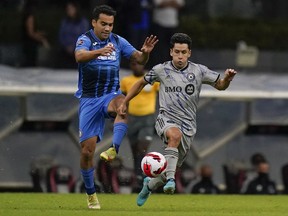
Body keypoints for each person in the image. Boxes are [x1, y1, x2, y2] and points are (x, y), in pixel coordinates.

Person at [117, 32, 237, 206]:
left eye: (184, 52)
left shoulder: (199, 70)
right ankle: (172, 181)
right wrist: (124, 101)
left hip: (188, 125)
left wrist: (227, 79)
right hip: (165, 119)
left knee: (166, 171)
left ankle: (149, 185)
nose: (180, 56)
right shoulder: (161, 69)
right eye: (177, 52)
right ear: (171, 52)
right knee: (174, 136)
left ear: (189, 53)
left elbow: (220, 86)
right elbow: (141, 83)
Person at [74, 4, 158, 209]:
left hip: (110, 94)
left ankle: (114, 149)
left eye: (110, 24)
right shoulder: (85, 40)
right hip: (89, 99)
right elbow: (79, 56)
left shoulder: (118, 41)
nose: (107, 28)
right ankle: (91, 194)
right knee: (87, 152)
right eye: (103, 23)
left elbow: (138, 57)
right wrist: (100, 51)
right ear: (94, 22)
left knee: (122, 104)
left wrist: (145, 53)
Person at [120, 60, 159, 192]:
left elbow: (164, 93)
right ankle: (138, 178)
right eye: (135, 64)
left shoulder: (152, 79)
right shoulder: (126, 81)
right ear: (131, 66)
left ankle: (142, 177)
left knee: (142, 148)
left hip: (147, 118)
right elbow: (122, 98)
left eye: (140, 63)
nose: (138, 66)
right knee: (135, 151)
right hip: (132, 119)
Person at [149, 0, 185, 67]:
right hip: (159, 23)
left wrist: (167, 3)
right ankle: (159, 66)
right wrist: (172, 3)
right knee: (159, 47)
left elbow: (180, 5)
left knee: (173, 47)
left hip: (173, 24)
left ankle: (172, 66)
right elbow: (159, 5)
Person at [57, 1, 89, 68]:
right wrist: (67, 46)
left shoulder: (83, 22)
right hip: (66, 50)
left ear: (76, 9)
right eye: (68, 9)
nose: (69, 11)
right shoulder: (65, 22)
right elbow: (61, 36)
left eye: (71, 9)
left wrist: (74, 46)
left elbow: (83, 36)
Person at [21, 0, 50, 67]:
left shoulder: (26, 16)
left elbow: (31, 30)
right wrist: (42, 39)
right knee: (30, 63)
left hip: (27, 43)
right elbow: (31, 33)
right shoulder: (30, 17)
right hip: (29, 44)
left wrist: (40, 33)